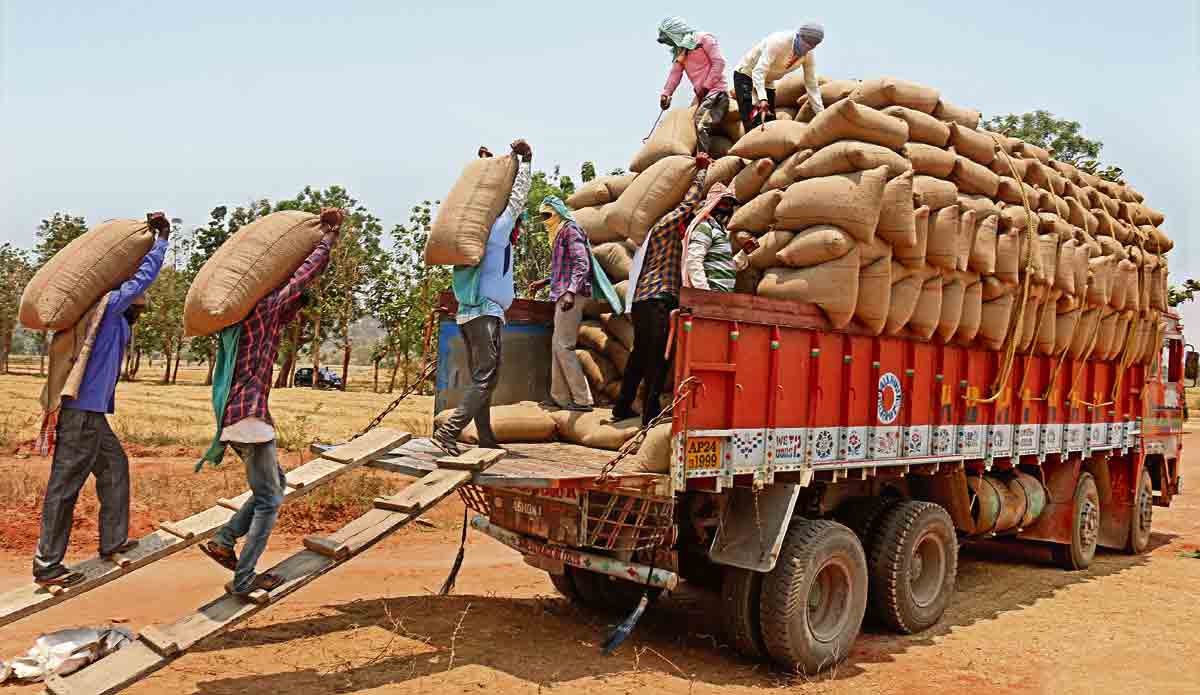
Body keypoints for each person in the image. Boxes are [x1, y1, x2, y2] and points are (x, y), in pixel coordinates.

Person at [198, 207, 344, 599]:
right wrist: (328, 238)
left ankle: (224, 540)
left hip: (236, 417)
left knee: (275, 482)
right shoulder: (262, 310)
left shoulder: (240, 322)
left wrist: (299, 299)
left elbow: (292, 301)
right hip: (249, 418)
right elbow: (303, 277)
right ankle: (244, 578)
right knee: (269, 499)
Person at [32, 212, 172, 589]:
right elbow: (144, 276)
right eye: (139, 304)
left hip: (92, 416)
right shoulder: (108, 309)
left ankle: (113, 540)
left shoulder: (116, 322)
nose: (141, 309)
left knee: (114, 468)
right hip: (80, 415)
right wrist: (162, 239)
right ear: (128, 300)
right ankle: (47, 564)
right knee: (65, 487)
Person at [432, 140, 534, 455]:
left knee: (485, 378)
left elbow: (490, 198)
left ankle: (486, 436)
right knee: (486, 378)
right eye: (518, 223)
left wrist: (489, 164)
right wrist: (526, 162)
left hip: (469, 316)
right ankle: (449, 432)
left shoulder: (477, 239)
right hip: (484, 317)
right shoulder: (497, 233)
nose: (518, 227)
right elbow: (515, 200)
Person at [614, 153, 712, 426]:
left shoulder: (652, 235)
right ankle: (650, 412)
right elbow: (689, 203)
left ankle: (622, 406)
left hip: (643, 301)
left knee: (640, 354)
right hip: (657, 299)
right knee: (659, 357)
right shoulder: (664, 225)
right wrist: (701, 172)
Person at [528, 197, 599, 413]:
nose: (545, 219)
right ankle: (559, 397)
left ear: (557, 212)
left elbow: (582, 264)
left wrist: (570, 292)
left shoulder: (570, 229)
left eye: (547, 214)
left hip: (571, 295)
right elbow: (564, 268)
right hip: (563, 292)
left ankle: (582, 399)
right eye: (542, 215)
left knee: (564, 346)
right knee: (557, 345)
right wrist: (545, 281)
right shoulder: (558, 233)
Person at [656, 16, 729, 156]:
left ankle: (703, 156)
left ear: (675, 33)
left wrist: (706, 87)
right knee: (693, 127)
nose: (670, 44)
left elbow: (719, 63)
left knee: (700, 122)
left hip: (716, 92)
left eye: (670, 39)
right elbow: (675, 73)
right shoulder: (681, 52)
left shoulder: (704, 39)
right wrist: (666, 93)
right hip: (703, 96)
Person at [733, 23, 826, 132]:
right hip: (746, 74)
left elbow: (812, 85)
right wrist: (762, 98)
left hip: (767, 81)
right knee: (752, 118)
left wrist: (821, 114)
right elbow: (759, 72)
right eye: (807, 43)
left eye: (813, 45)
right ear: (799, 36)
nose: (808, 47)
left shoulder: (808, 55)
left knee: (770, 121)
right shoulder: (778, 42)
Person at [682, 183, 760, 292]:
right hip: (711, 295)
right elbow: (694, 261)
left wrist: (744, 253)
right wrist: (704, 292)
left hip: (722, 295)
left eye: (730, 206)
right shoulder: (705, 228)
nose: (728, 209)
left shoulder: (720, 232)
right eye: (724, 204)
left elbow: (725, 267)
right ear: (713, 204)